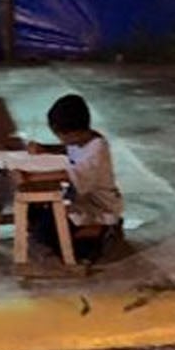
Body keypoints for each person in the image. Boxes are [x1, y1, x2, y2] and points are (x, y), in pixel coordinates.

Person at [30, 93, 124, 262]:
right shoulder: (81, 140)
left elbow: (68, 174)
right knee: (36, 216)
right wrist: (45, 149)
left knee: (51, 237)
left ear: (73, 133)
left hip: (98, 208)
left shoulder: (97, 151)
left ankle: (102, 231)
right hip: (79, 202)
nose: (61, 140)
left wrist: (32, 176)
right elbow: (67, 150)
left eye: (61, 136)